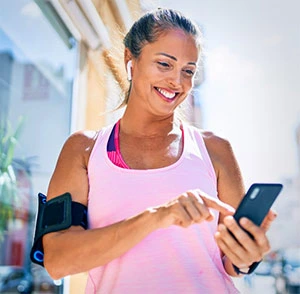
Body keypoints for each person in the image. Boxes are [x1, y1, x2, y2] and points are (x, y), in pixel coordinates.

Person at [38, 8, 276, 293]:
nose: (177, 82)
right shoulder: (84, 150)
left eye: (188, 71)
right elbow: (57, 260)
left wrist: (246, 256)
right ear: (131, 60)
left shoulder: (215, 151)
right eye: (165, 64)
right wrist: (156, 217)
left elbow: (232, 262)